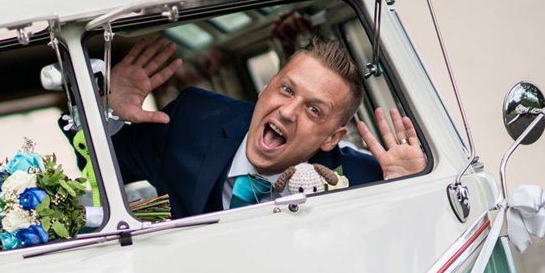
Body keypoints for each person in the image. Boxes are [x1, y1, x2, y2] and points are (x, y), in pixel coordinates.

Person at [108, 37, 427, 218]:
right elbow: (100, 167)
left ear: (332, 137)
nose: (288, 112)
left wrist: (412, 195)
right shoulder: (193, 121)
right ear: (265, 88)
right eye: (286, 90)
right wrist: (107, 109)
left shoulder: (364, 179)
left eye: (314, 109)